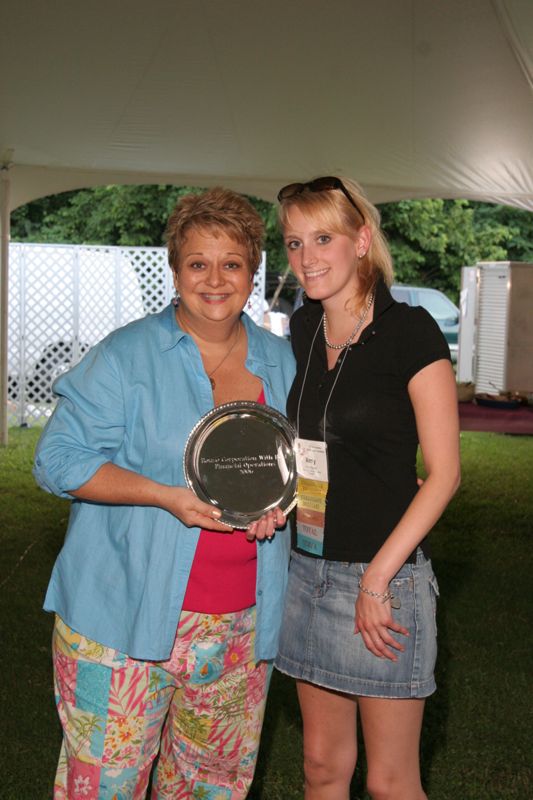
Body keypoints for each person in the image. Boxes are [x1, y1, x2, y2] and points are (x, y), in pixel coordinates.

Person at [33, 187, 295, 800]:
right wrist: (162, 494)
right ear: (175, 270)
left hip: (240, 628)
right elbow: (56, 460)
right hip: (120, 622)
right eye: (197, 263)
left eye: (231, 263)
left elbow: (298, 467)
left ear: (251, 273)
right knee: (104, 787)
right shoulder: (126, 356)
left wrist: (280, 506)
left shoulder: (281, 361)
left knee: (210, 789)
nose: (214, 279)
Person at [273, 177, 460, 800]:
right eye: (295, 242)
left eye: (323, 238)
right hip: (307, 572)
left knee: (388, 782)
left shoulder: (410, 331)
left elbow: (445, 473)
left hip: (383, 581)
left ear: (361, 239)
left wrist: (379, 578)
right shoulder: (303, 330)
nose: (307, 257)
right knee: (322, 768)